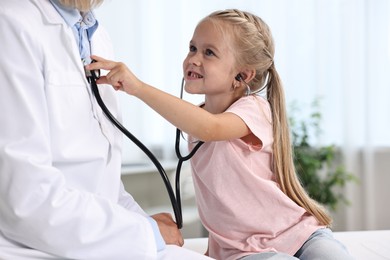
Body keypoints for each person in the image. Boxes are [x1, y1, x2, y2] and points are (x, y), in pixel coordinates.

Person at [86, 8, 354, 260]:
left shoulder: (253, 110)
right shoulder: (195, 124)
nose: (193, 58)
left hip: (298, 233)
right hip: (243, 252)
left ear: (242, 76)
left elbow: (210, 128)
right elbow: (221, 199)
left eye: (209, 53)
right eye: (192, 48)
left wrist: (139, 87)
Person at [0, 0, 213, 259]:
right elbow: (27, 199)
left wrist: (141, 223)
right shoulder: (11, 23)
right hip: (32, 245)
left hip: (90, 236)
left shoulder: (95, 34)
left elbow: (103, 180)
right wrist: (146, 232)